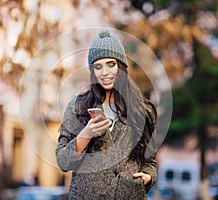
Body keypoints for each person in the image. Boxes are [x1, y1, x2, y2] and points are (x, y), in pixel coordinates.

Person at [56, 29, 157, 200]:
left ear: (121, 66)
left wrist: (148, 176)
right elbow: (63, 161)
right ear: (92, 71)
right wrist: (87, 133)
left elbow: (150, 160)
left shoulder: (142, 110)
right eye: (98, 66)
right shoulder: (78, 107)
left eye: (111, 64)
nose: (105, 72)